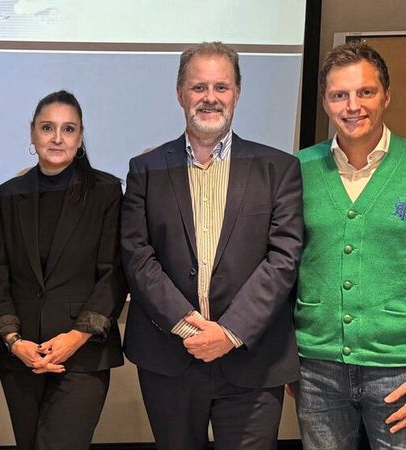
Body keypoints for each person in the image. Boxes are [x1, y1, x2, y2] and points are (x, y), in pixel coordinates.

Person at [121, 42, 303, 450]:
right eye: (198, 87)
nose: (210, 98)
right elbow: (137, 255)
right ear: (180, 93)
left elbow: (283, 259)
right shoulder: (145, 170)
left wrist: (230, 331)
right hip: (170, 356)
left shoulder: (278, 169)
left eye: (221, 87)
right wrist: (191, 327)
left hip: (253, 360)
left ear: (237, 93)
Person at [0, 90, 126, 450]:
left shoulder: (107, 192)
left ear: (80, 138)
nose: (57, 138)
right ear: (33, 133)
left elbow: (114, 273)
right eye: (48, 128)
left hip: (83, 353)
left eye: (68, 129)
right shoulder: (9, 194)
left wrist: (75, 337)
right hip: (21, 355)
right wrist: (15, 342)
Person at [294, 41, 406, 449]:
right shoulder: (298, 169)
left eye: (365, 92)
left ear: (386, 95)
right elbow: (281, 263)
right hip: (316, 367)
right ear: (325, 101)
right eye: (339, 95)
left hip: (398, 368)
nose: (352, 106)